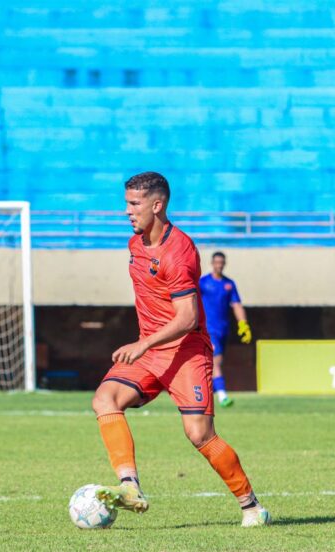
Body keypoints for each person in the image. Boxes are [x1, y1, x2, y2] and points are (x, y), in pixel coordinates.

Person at [91, 172, 270, 527]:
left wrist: (143, 343)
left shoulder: (179, 252)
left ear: (157, 205)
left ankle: (251, 506)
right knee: (104, 399)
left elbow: (187, 318)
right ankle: (129, 486)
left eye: (134, 204)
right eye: (126, 203)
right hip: (151, 352)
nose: (127, 211)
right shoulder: (135, 244)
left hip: (186, 352)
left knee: (199, 434)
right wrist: (146, 344)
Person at [199, 252, 252, 407]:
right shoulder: (203, 282)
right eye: (216, 262)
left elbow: (236, 304)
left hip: (223, 329)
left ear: (224, 263)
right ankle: (222, 396)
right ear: (212, 263)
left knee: (215, 363)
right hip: (208, 329)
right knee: (216, 360)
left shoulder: (229, 284)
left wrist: (243, 324)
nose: (219, 265)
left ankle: (206, 394)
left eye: (221, 262)